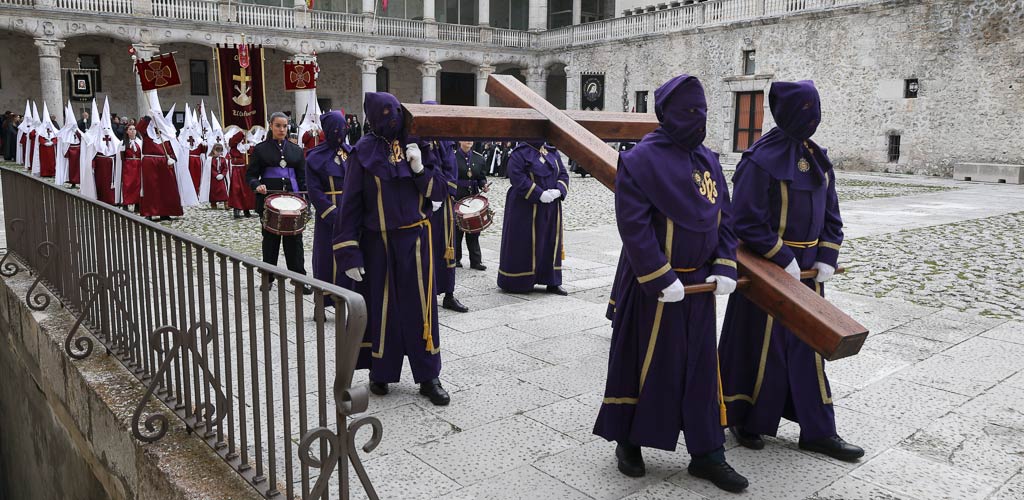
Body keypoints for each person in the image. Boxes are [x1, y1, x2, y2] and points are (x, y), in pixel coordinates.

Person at [592, 75, 748, 493]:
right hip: (654, 287)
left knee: (701, 370)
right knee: (643, 364)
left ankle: (708, 452)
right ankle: (628, 440)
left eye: (703, 112)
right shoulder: (640, 160)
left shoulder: (710, 160)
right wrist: (660, 275)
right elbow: (634, 225)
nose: (697, 120)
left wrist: (725, 264)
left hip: (700, 287)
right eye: (689, 112)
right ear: (667, 114)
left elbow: (724, 218)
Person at [719, 80, 863, 462]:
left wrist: (827, 256)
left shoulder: (817, 157)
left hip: (808, 275)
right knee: (759, 347)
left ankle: (819, 430)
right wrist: (783, 256)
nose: (812, 119)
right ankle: (746, 418)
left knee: (809, 349)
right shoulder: (758, 160)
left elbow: (832, 214)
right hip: (768, 271)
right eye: (806, 111)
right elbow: (745, 219)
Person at [333, 92, 450, 406]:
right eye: (385, 112)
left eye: (396, 111)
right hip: (378, 244)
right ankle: (380, 372)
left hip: (416, 241)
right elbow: (351, 205)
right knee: (382, 310)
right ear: (372, 117)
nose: (392, 117)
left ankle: (429, 376)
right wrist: (349, 252)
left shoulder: (420, 145)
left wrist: (418, 170)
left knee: (421, 308)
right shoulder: (362, 153)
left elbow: (440, 190)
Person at [247, 112, 312, 294]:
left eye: (285, 126)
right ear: (271, 126)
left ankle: (299, 279)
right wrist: (257, 185)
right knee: (270, 241)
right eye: (278, 126)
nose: (282, 129)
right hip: (270, 201)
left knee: (295, 241)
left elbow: (302, 177)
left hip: (293, 200)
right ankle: (268, 277)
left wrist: (306, 199)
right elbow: (251, 175)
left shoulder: (297, 151)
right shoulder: (260, 149)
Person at [496, 140, 569, 295]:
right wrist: (539, 194)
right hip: (525, 207)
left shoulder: (552, 152)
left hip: (551, 207)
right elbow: (517, 177)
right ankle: (520, 280)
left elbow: (563, 173)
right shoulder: (519, 153)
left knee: (550, 242)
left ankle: (552, 281)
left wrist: (559, 190)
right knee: (525, 243)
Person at [305, 110, 354, 305]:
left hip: (350, 210)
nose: (339, 133)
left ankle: (347, 297)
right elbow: (314, 191)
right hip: (329, 214)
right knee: (326, 257)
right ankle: (322, 302)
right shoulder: (314, 157)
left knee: (349, 255)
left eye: (342, 128)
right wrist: (332, 213)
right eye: (335, 129)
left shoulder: (351, 152)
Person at [423, 102, 468, 313]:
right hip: (424, 202)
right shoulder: (417, 139)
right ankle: (426, 291)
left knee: (447, 247)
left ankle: (449, 293)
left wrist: (447, 191)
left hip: (445, 203)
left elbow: (452, 168)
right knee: (426, 247)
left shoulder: (446, 140)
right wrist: (430, 193)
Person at [136, 94, 198, 220]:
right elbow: (139, 128)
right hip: (150, 162)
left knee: (167, 188)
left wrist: (172, 158)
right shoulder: (147, 133)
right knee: (151, 188)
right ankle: (150, 212)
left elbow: (172, 148)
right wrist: (148, 117)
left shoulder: (166, 133)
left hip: (164, 162)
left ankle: (165, 212)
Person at [453, 140, 489, 271]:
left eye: (471, 139)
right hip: (458, 197)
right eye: (466, 139)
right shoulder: (453, 157)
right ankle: (456, 259)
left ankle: (476, 261)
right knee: (457, 229)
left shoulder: (479, 158)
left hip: (473, 197)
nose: (469, 141)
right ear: (460, 141)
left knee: (474, 229)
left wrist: (483, 185)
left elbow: (481, 177)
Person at [79, 99, 121, 205]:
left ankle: (112, 200)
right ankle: (99, 198)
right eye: (104, 128)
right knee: (101, 183)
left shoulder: (116, 141)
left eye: (108, 128)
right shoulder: (95, 141)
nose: (106, 130)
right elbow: (92, 155)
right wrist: (92, 165)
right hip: (100, 166)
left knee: (110, 184)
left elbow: (118, 152)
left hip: (111, 166)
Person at [225, 125, 255, 218]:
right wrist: (242, 132)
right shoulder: (234, 133)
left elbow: (253, 147)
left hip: (246, 167)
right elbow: (231, 143)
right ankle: (236, 209)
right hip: (237, 167)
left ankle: (247, 209)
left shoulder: (249, 136)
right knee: (236, 188)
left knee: (247, 188)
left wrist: (249, 148)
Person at [55, 102, 81, 187]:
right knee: (70, 168)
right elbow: (64, 142)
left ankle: (78, 181)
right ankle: (71, 181)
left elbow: (82, 139)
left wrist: (77, 132)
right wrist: (66, 151)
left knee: (78, 168)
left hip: (78, 151)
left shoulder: (77, 131)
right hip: (70, 152)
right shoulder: (65, 132)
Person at [118, 124, 143, 211]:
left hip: (138, 165)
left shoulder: (140, 142)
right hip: (128, 166)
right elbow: (121, 157)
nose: (133, 131)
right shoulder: (123, 143)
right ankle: (126, 203)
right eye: (130, 129)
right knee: (127, 185)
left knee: (137, 185)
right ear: (127, 131)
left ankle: (137, 203)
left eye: (134, 129)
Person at [32, 103, 59, 178]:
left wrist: (52, 142)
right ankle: (45, 173)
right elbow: (39, 138)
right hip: (43, 148)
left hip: (51, 148)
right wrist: (44, 143)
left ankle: (53, 172)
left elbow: (56, 136)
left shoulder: (53, 129)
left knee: (52, 161)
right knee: (44, 161)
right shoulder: (41, 130)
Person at [205, 143, 230, 209]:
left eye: (220, 151)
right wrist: (216, 175)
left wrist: (222, 174)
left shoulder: (223, 159)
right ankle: (213, 203)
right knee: (213, 191)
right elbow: (210, 169)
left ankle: (226, 203)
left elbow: (225, 168)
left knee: (223, 190)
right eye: (217, 151)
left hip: (221, 178)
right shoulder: (210, 159)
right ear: (213, 150)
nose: (219, 153)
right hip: (213, 179)